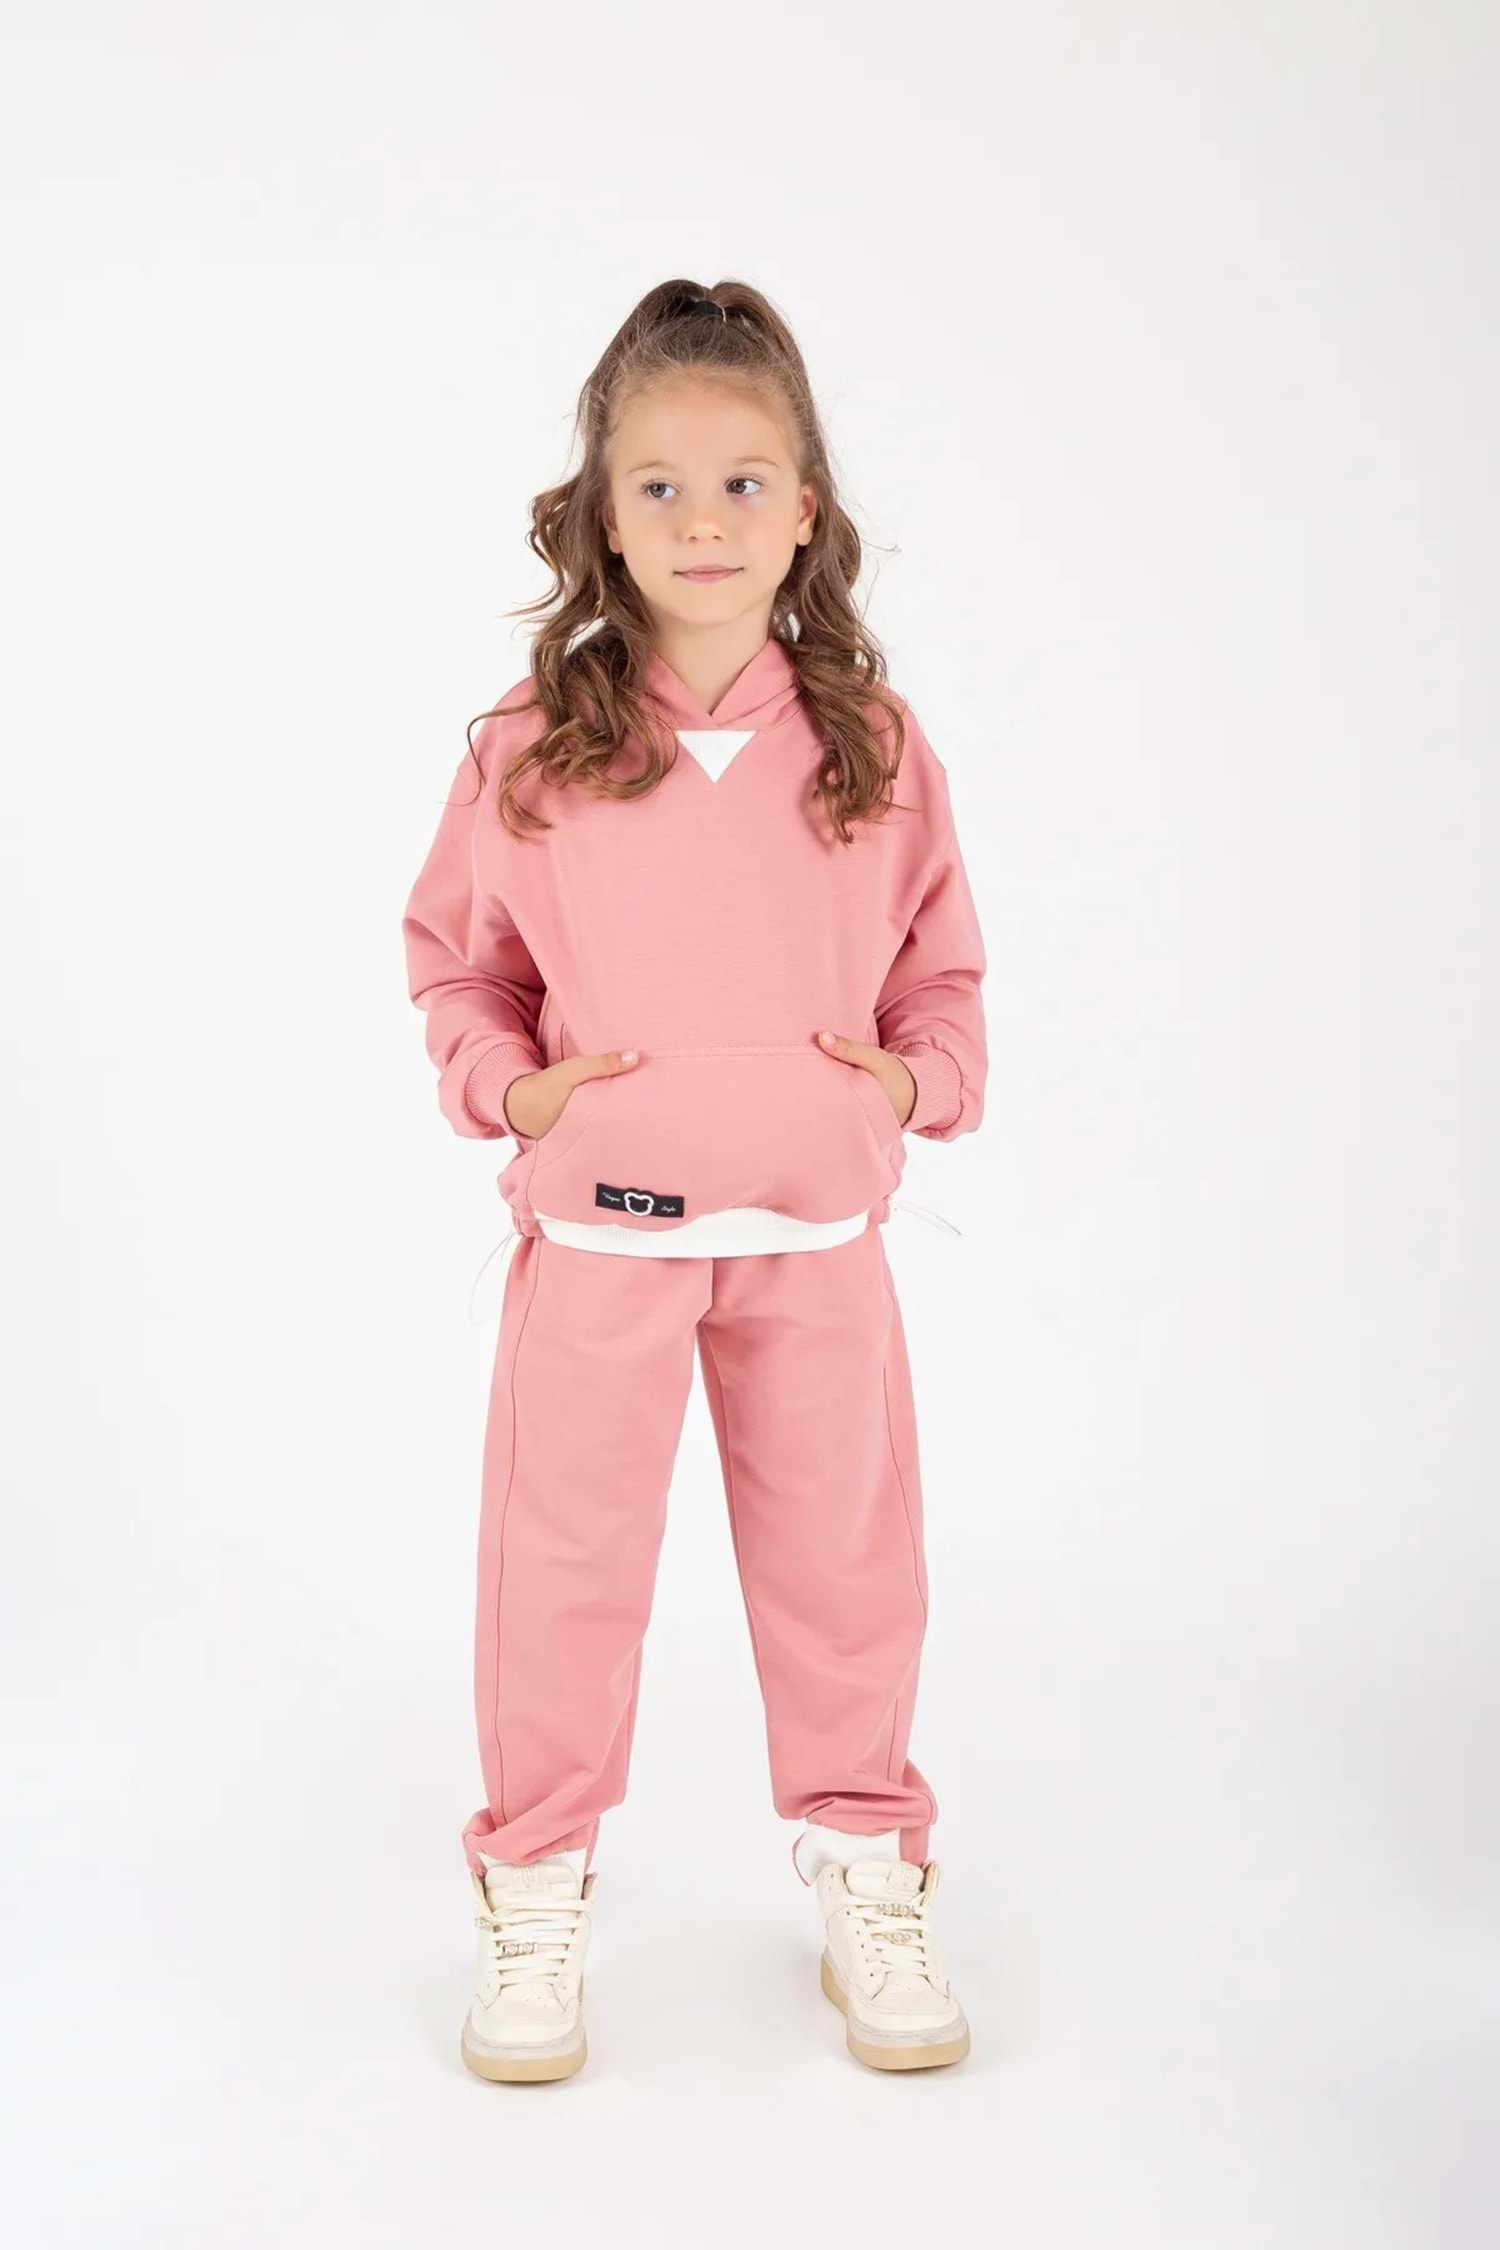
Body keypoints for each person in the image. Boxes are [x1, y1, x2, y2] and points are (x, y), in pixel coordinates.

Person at [401, 278, 989, 2081]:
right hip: (602, 1238)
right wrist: (515, 1090)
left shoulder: (877, 747)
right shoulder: (528, 748)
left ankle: (868, 1863)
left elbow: (943, 974)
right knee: (563, 1570)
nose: (703, 520)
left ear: (807, 508)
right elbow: (458, 969)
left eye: (743, 482)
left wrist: (912, 1083)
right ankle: (535, 1881)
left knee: (846, 1567)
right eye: (657, 485)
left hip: (817, 1237)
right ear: (601, 511)